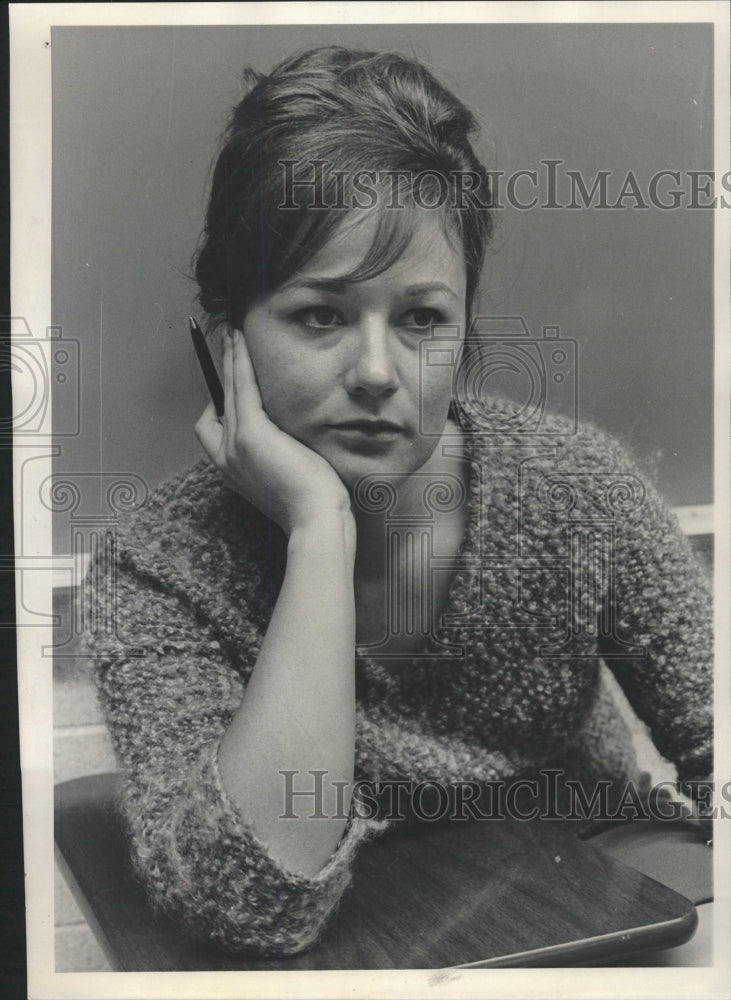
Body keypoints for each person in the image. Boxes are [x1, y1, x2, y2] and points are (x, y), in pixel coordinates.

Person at [81, 46, 713, 958]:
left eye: (421, 319)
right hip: (361, 939)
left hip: (596, 909)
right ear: (225, 342)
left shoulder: (580, 490)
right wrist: (318, 532)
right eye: (320, 315)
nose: (377, 373)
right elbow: (255, 900)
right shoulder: (154, 567)